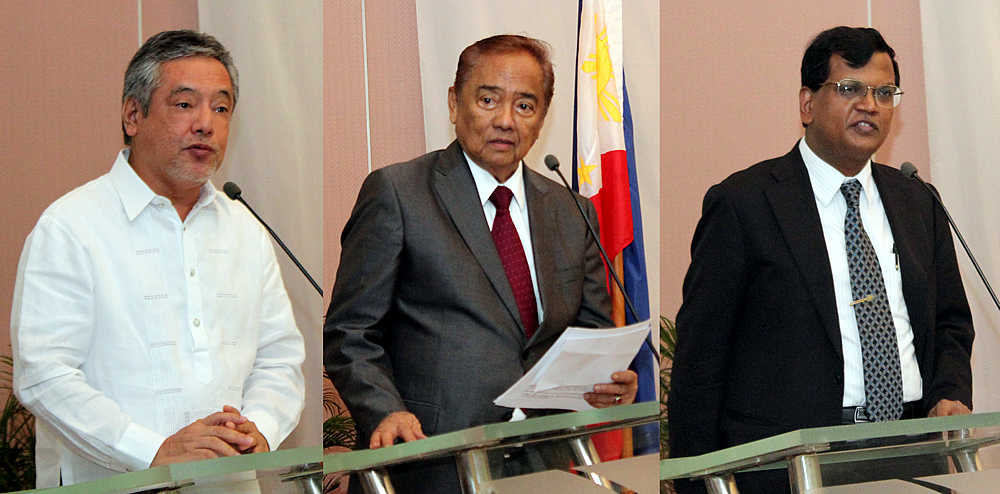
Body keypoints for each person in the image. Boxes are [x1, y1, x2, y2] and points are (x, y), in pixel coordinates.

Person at [325, 34, 638, 493]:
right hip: (429, 461)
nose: (506, 121)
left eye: (525, 106)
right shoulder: (398, 193)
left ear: (542, 118)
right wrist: (385, 410)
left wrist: (605, 378)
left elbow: (587, 332)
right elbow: (350, 331)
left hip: (542, 465)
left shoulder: (572, 210)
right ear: (455, 103)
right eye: (489, 99)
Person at [668, 26, 974, 493]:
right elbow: (700, 365)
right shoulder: (744, 204)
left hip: (911, 449)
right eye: (850, 89)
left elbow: (949, 321)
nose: (870, 104)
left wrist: (949, 391)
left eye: (885, 92)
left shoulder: (918, 201)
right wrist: (694, 483)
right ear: (807, 103)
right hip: (789, 464)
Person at [11, 30, 305, 486]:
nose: (206, 123)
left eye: (221, 108)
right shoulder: (72, 226)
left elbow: (279, 358)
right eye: (185, 104)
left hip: (230, 483)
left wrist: (260, 428)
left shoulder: (245, 228)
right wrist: (154, 451)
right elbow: (44, 374)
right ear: (133, 114)